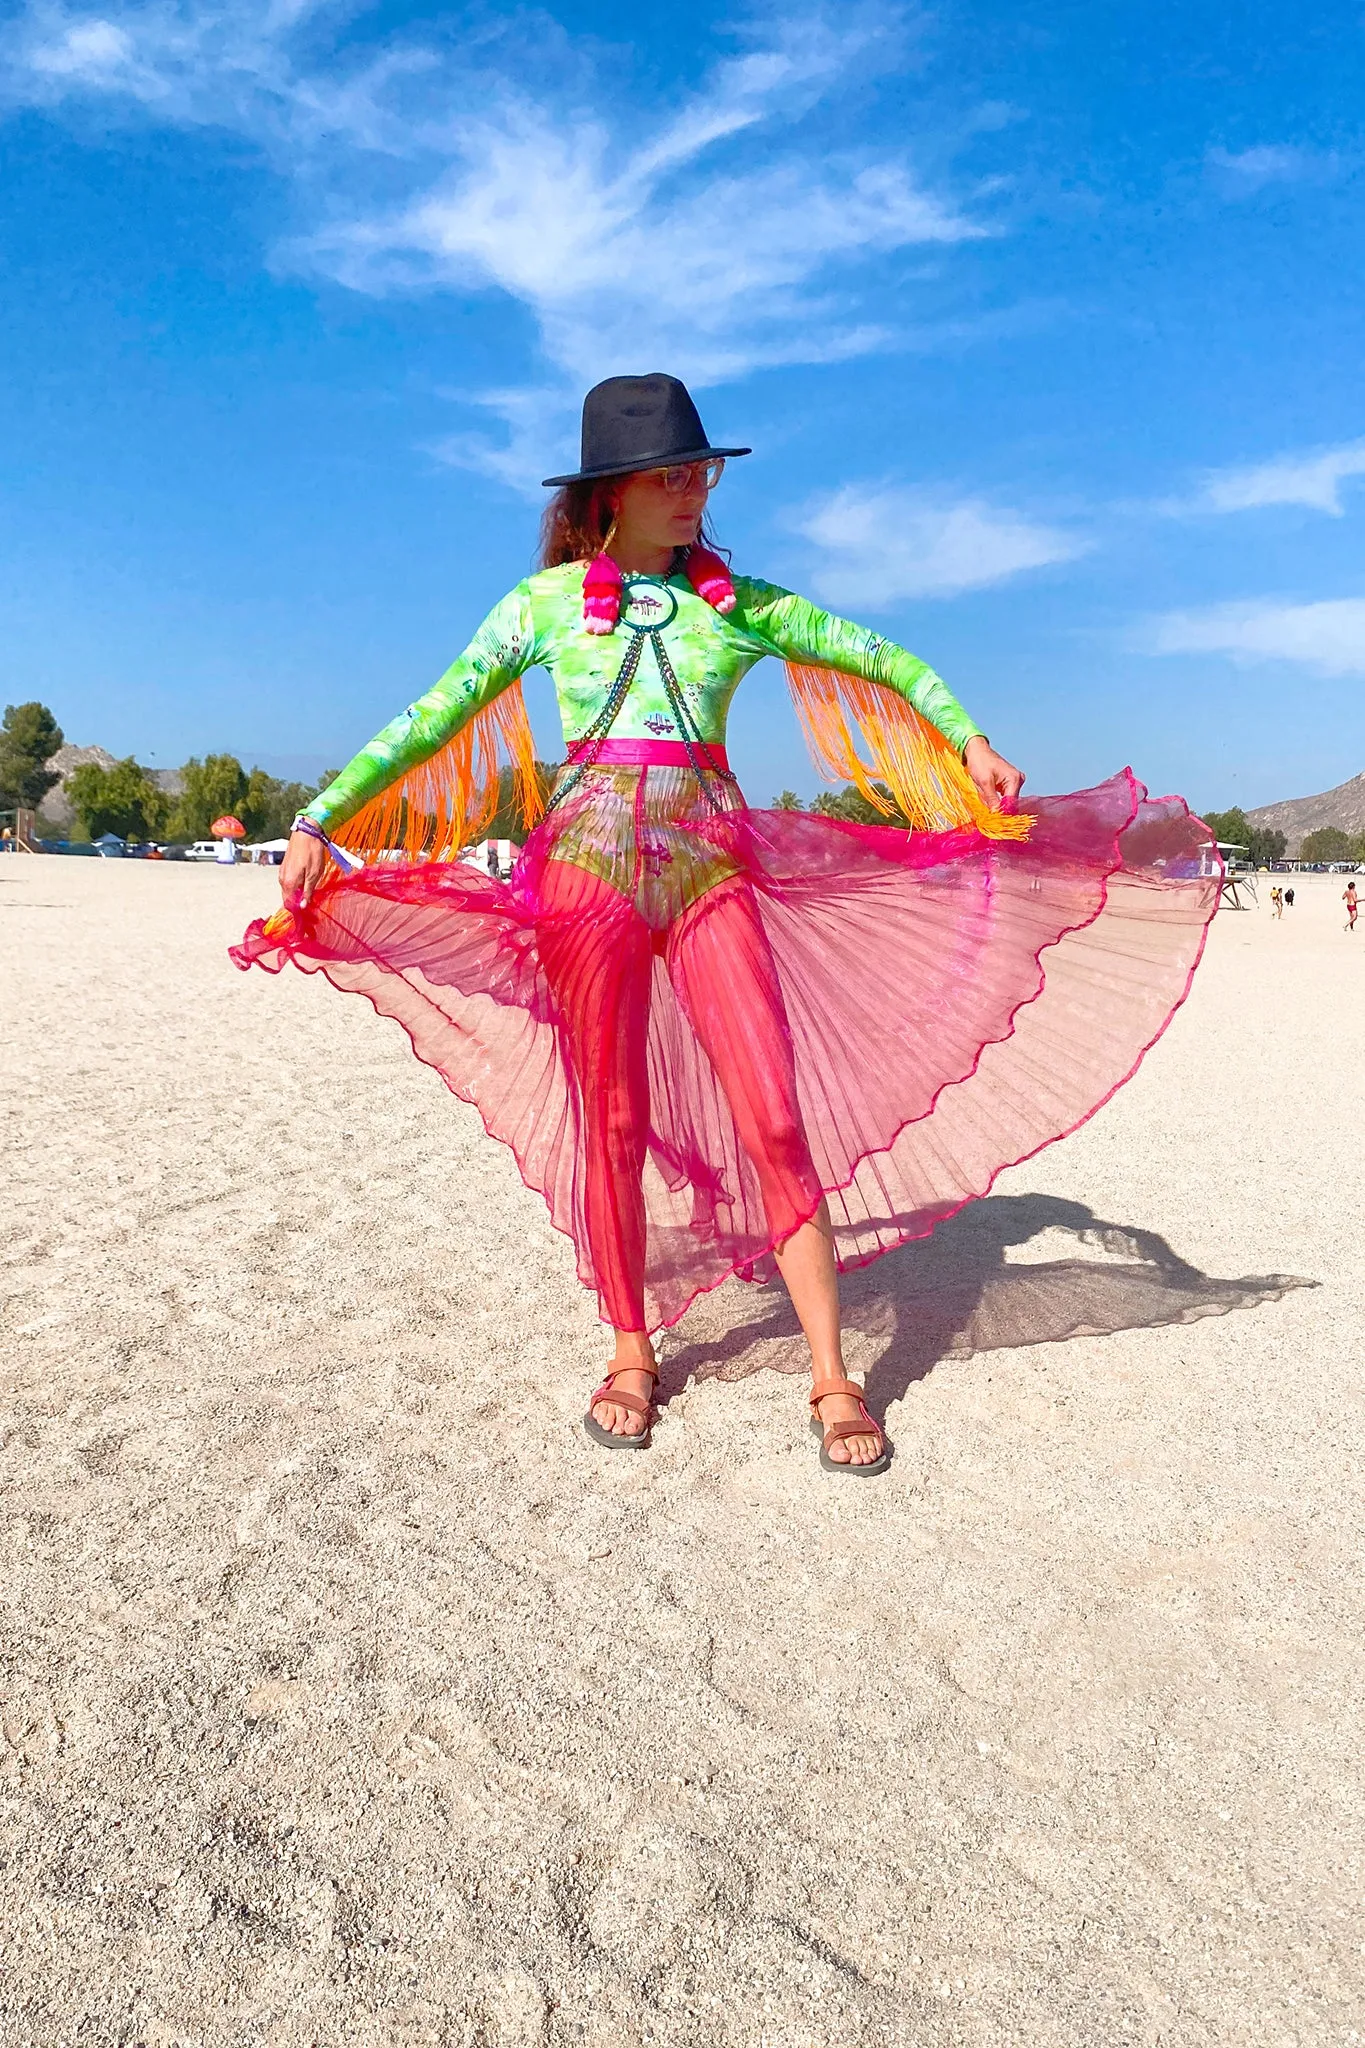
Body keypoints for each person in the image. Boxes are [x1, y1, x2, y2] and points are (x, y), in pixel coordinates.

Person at [234, 373, 1217, 1476]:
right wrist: (322, 816)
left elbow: (879, 655)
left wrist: (965, 739)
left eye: (702, 469)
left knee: (774, 1116)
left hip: (710, 867)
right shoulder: (543, 608)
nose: (695, 487)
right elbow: (435, 711)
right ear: (611, 491)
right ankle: (630, 1350)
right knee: (608, 1115)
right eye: (672, 472)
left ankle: (833, 1372)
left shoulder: (738, 605)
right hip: (587, 872)